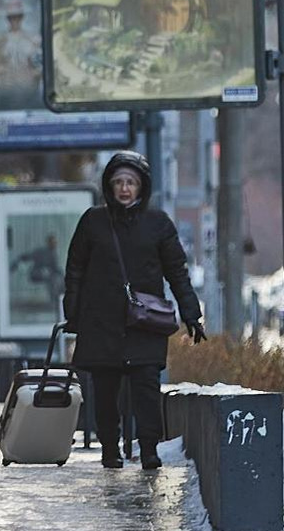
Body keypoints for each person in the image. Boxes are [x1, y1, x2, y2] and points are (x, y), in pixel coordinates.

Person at [62, 148, 204, 471]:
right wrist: (73, 311)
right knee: (105, 391)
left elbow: (177, 272)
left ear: (143, 187)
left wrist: (191, 313)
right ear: (109, 186)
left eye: (132, 182)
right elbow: (75, 270)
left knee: (146, 389)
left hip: (144, 323)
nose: (125, 189)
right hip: (101, 323)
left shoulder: (158, 224)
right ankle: (109, 449)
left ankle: (149, 449)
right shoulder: (93, 222)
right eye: (118, 182)